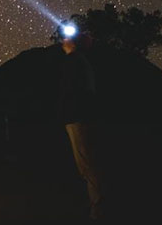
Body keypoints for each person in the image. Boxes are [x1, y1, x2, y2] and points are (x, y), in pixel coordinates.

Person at [58, 31, 106, 220]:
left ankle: (98, 211)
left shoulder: (76, 61)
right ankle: (94, 206)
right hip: (78, 117)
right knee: (86, 164)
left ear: (74, 44)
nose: (64, 41)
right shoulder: (79, 62)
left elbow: (75, 91)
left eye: (68, 39)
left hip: (78, 118)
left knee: (88, 165)